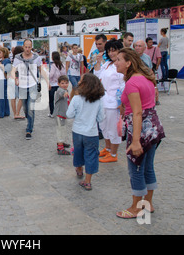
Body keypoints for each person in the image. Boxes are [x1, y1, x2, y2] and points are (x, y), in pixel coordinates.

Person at [114, 48, 165, 218]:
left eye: (119, 59)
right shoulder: (145, 78)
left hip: (141, 131)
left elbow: (137, 113)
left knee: (136, 169)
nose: (116, 63)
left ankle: (136, 207)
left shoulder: (132, 83)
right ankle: (148, 203)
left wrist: (135, 141)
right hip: (153, 129)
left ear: (128, 63)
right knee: (147, 167)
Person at [66, 73, 105, 191]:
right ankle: (88, 181)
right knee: (91, 155)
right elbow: (101, 118)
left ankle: (79, 169)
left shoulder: (77, 99)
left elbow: (69, 114)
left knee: (78, 151)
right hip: (92, 133)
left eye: (81, 81)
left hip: (77, 131)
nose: (78, 82)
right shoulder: (98, 101)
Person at [94, 39, 125, 163]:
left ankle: (113, 154)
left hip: (114, 103)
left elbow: (123, 85)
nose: (112, 54)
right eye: (109, 51)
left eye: (114, 51)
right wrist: (98, 62)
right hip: (103, 100)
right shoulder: (107, 64)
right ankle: (107, 148)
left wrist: (121, 103)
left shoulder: (121, 66)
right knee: (104, 126)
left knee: (113, 128)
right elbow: (97, 75)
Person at [11, 39, 48, 140]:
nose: (27, 49)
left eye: (29, 47)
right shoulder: (18, 58)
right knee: (25, 108)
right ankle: (29, 120)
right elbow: (13, 71)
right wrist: (15, 79)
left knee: (30, 108)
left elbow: (41, 70)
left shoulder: (36, 57)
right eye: (26, 47)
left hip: (32, 85)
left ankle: (29, 129)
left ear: (32, 47)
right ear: (23, 47)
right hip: (22, 86)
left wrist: (47, 82)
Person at [54, 75, 72, 155]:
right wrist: (65, 93)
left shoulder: (65, 89)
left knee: (63, 129)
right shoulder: (60, 90)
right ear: (58, 84)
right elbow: (62, 93)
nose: (64, 84)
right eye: (62, 83)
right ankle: (60, 148)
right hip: (59, 114)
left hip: (63, 114)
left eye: (66, 83)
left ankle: (62, 142)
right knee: (60, 130)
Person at [0, 47, 11, 118]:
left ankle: (1, 113)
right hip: (0, 79)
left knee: (1, 97)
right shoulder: (3, 60)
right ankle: (6, 111)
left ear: (4, 53)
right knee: (4, 96)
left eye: (0, 52)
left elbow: (5, 70)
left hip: (2, 79)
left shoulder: (6, 60)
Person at [8, 46, 24, 120]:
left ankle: (15, 114)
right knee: (21, 97)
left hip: (11, 79)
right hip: (17, 80)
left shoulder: (13, 59)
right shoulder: (20, 60)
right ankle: (17, 113)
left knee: (13, 98)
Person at [144, 37, 161, 105]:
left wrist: (157, 66)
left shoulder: (156, 49)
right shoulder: (145, 49)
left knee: (154, 83)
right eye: (149, 42)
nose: (151, 44)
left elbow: (159, 58)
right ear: (146, 43)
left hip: (152, 67)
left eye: (152, 42)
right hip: (145, 68)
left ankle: (157, 99)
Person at [48, 51, 66, 118]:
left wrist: (49, 80)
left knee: (51, 99)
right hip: (60, 84)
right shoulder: (62, 65)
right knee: (60, 99)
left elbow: (51, 74)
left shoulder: (53, 65)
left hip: (53, 84)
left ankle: (52, 113)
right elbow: (64, 74)